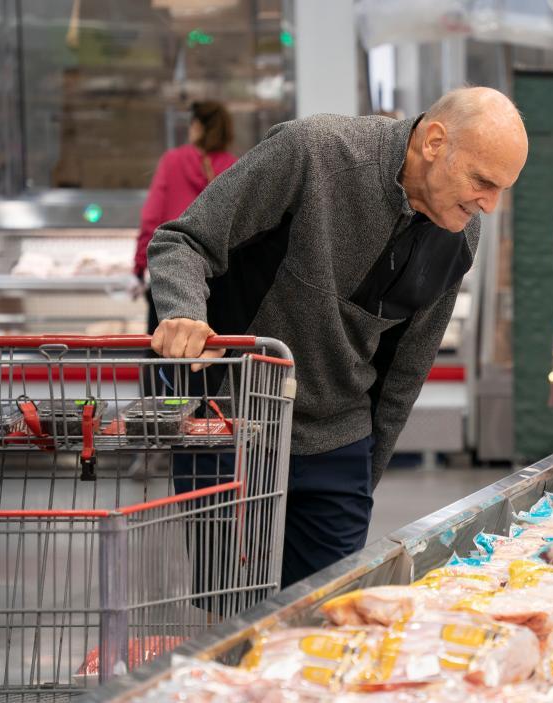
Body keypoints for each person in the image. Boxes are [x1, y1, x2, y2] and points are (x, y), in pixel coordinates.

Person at [147, 87, 528, 587]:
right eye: (482, 182)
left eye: (503, 189)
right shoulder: (313, 154)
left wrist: (363, 476)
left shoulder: (458, 235)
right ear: (434, 142)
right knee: (234, 610)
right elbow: (183, 241)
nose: (490, 206)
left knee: (324, 610)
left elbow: (406, 370)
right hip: (235, 423)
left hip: (339, 445)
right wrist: (184, 313)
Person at [131, 100, 238, 331]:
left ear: (197, 126)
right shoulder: (235, 167)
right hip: (220, 281)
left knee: (169, 348)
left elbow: (151, 219)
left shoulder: (172, 162)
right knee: (218, 347)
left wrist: (140, 266)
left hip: (172, 274)